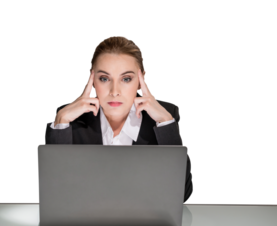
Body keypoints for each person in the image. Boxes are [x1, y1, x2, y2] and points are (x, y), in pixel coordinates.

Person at [44, 34, 193, 203]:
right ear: (92, 78)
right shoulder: (70, 118)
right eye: (104, 78)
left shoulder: (165, 115)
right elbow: (55, 194)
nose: (114, 91)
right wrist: (61, 120)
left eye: (126, 79)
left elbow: (183, 195)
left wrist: (166, 123)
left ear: (141, 79)